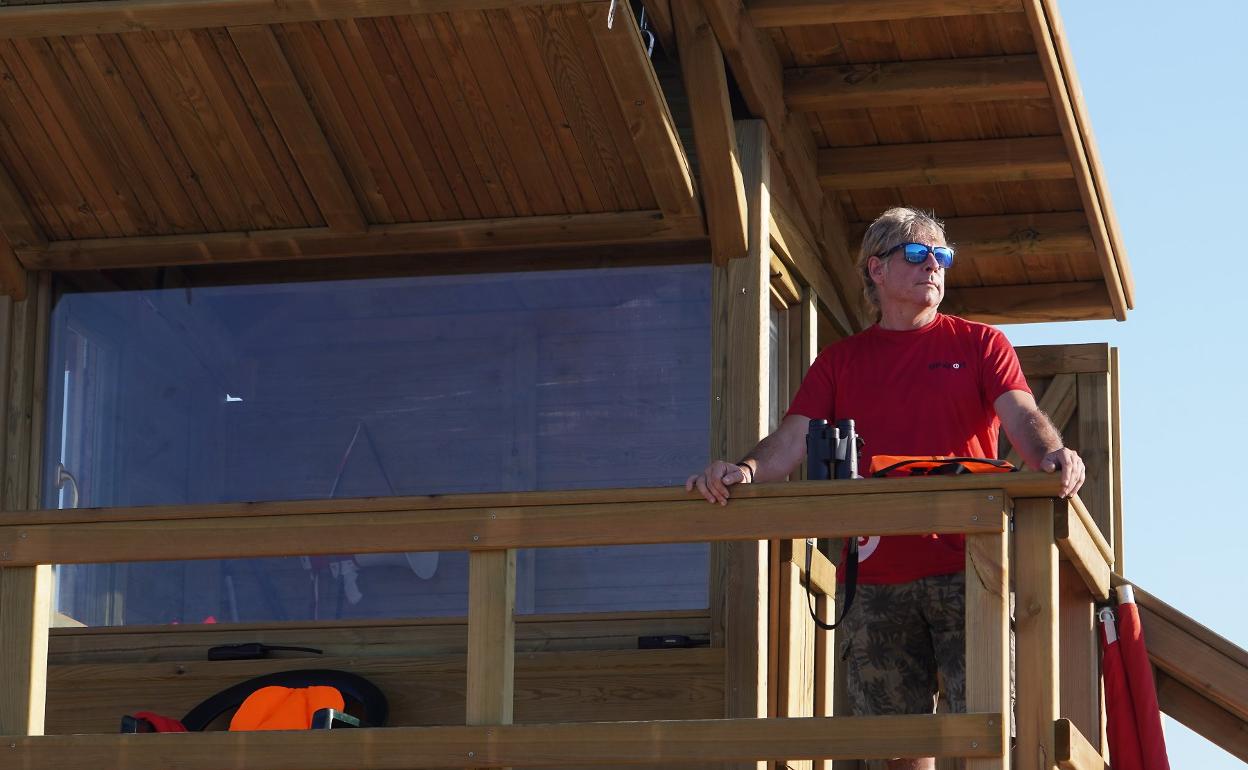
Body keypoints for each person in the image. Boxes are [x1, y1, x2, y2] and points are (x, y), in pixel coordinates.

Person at [685, 207, 1084, 770]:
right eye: (918, 254)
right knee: (896, 752)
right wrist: (744, 471)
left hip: (974, 569)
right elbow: (792, 440)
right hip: (874, 581)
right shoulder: (841, 361)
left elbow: (1022, 415)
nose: (934, 266)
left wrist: (1049, 455)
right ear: (876, 268)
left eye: (942, 256)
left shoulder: (981, 343)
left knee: (994, 736)